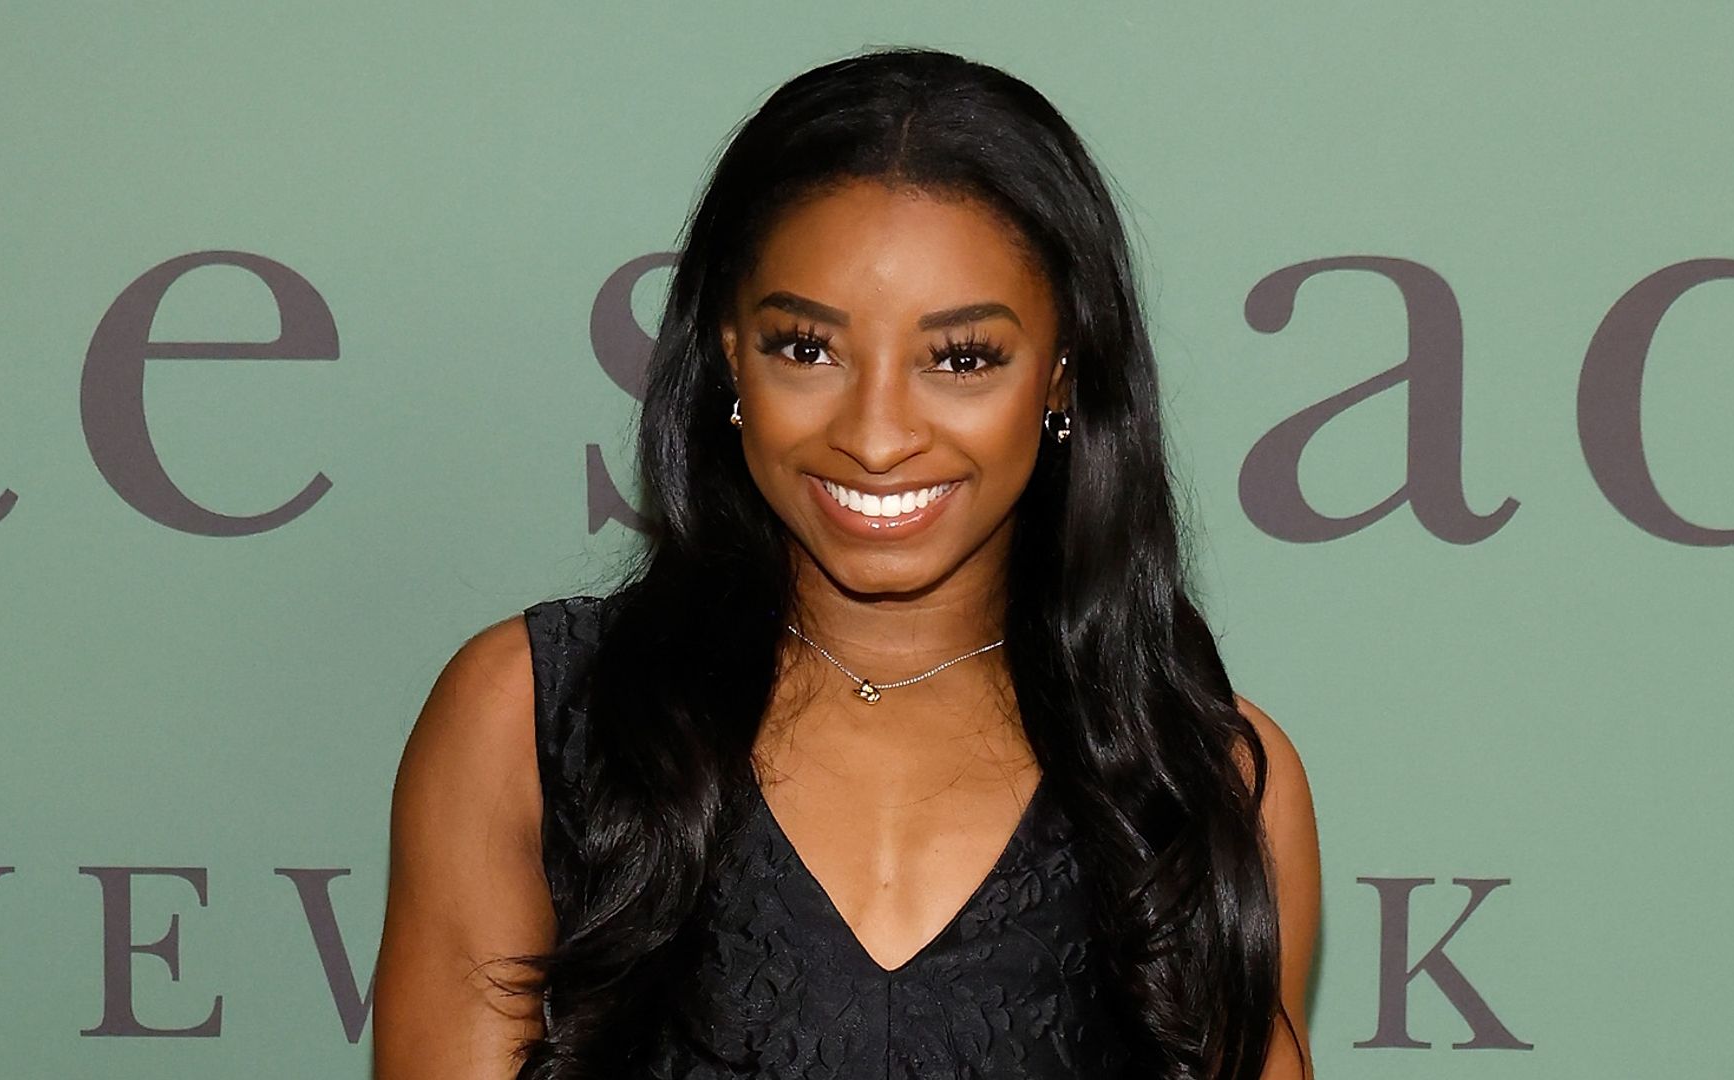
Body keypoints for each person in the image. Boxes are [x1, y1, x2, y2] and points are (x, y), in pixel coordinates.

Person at [371, 45, 1320, 1080]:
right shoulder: (531, 718)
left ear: (1061, 377)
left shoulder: (1204, 783)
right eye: (807, 349)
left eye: (961, 359)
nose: (875, 436)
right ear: (728, 351)